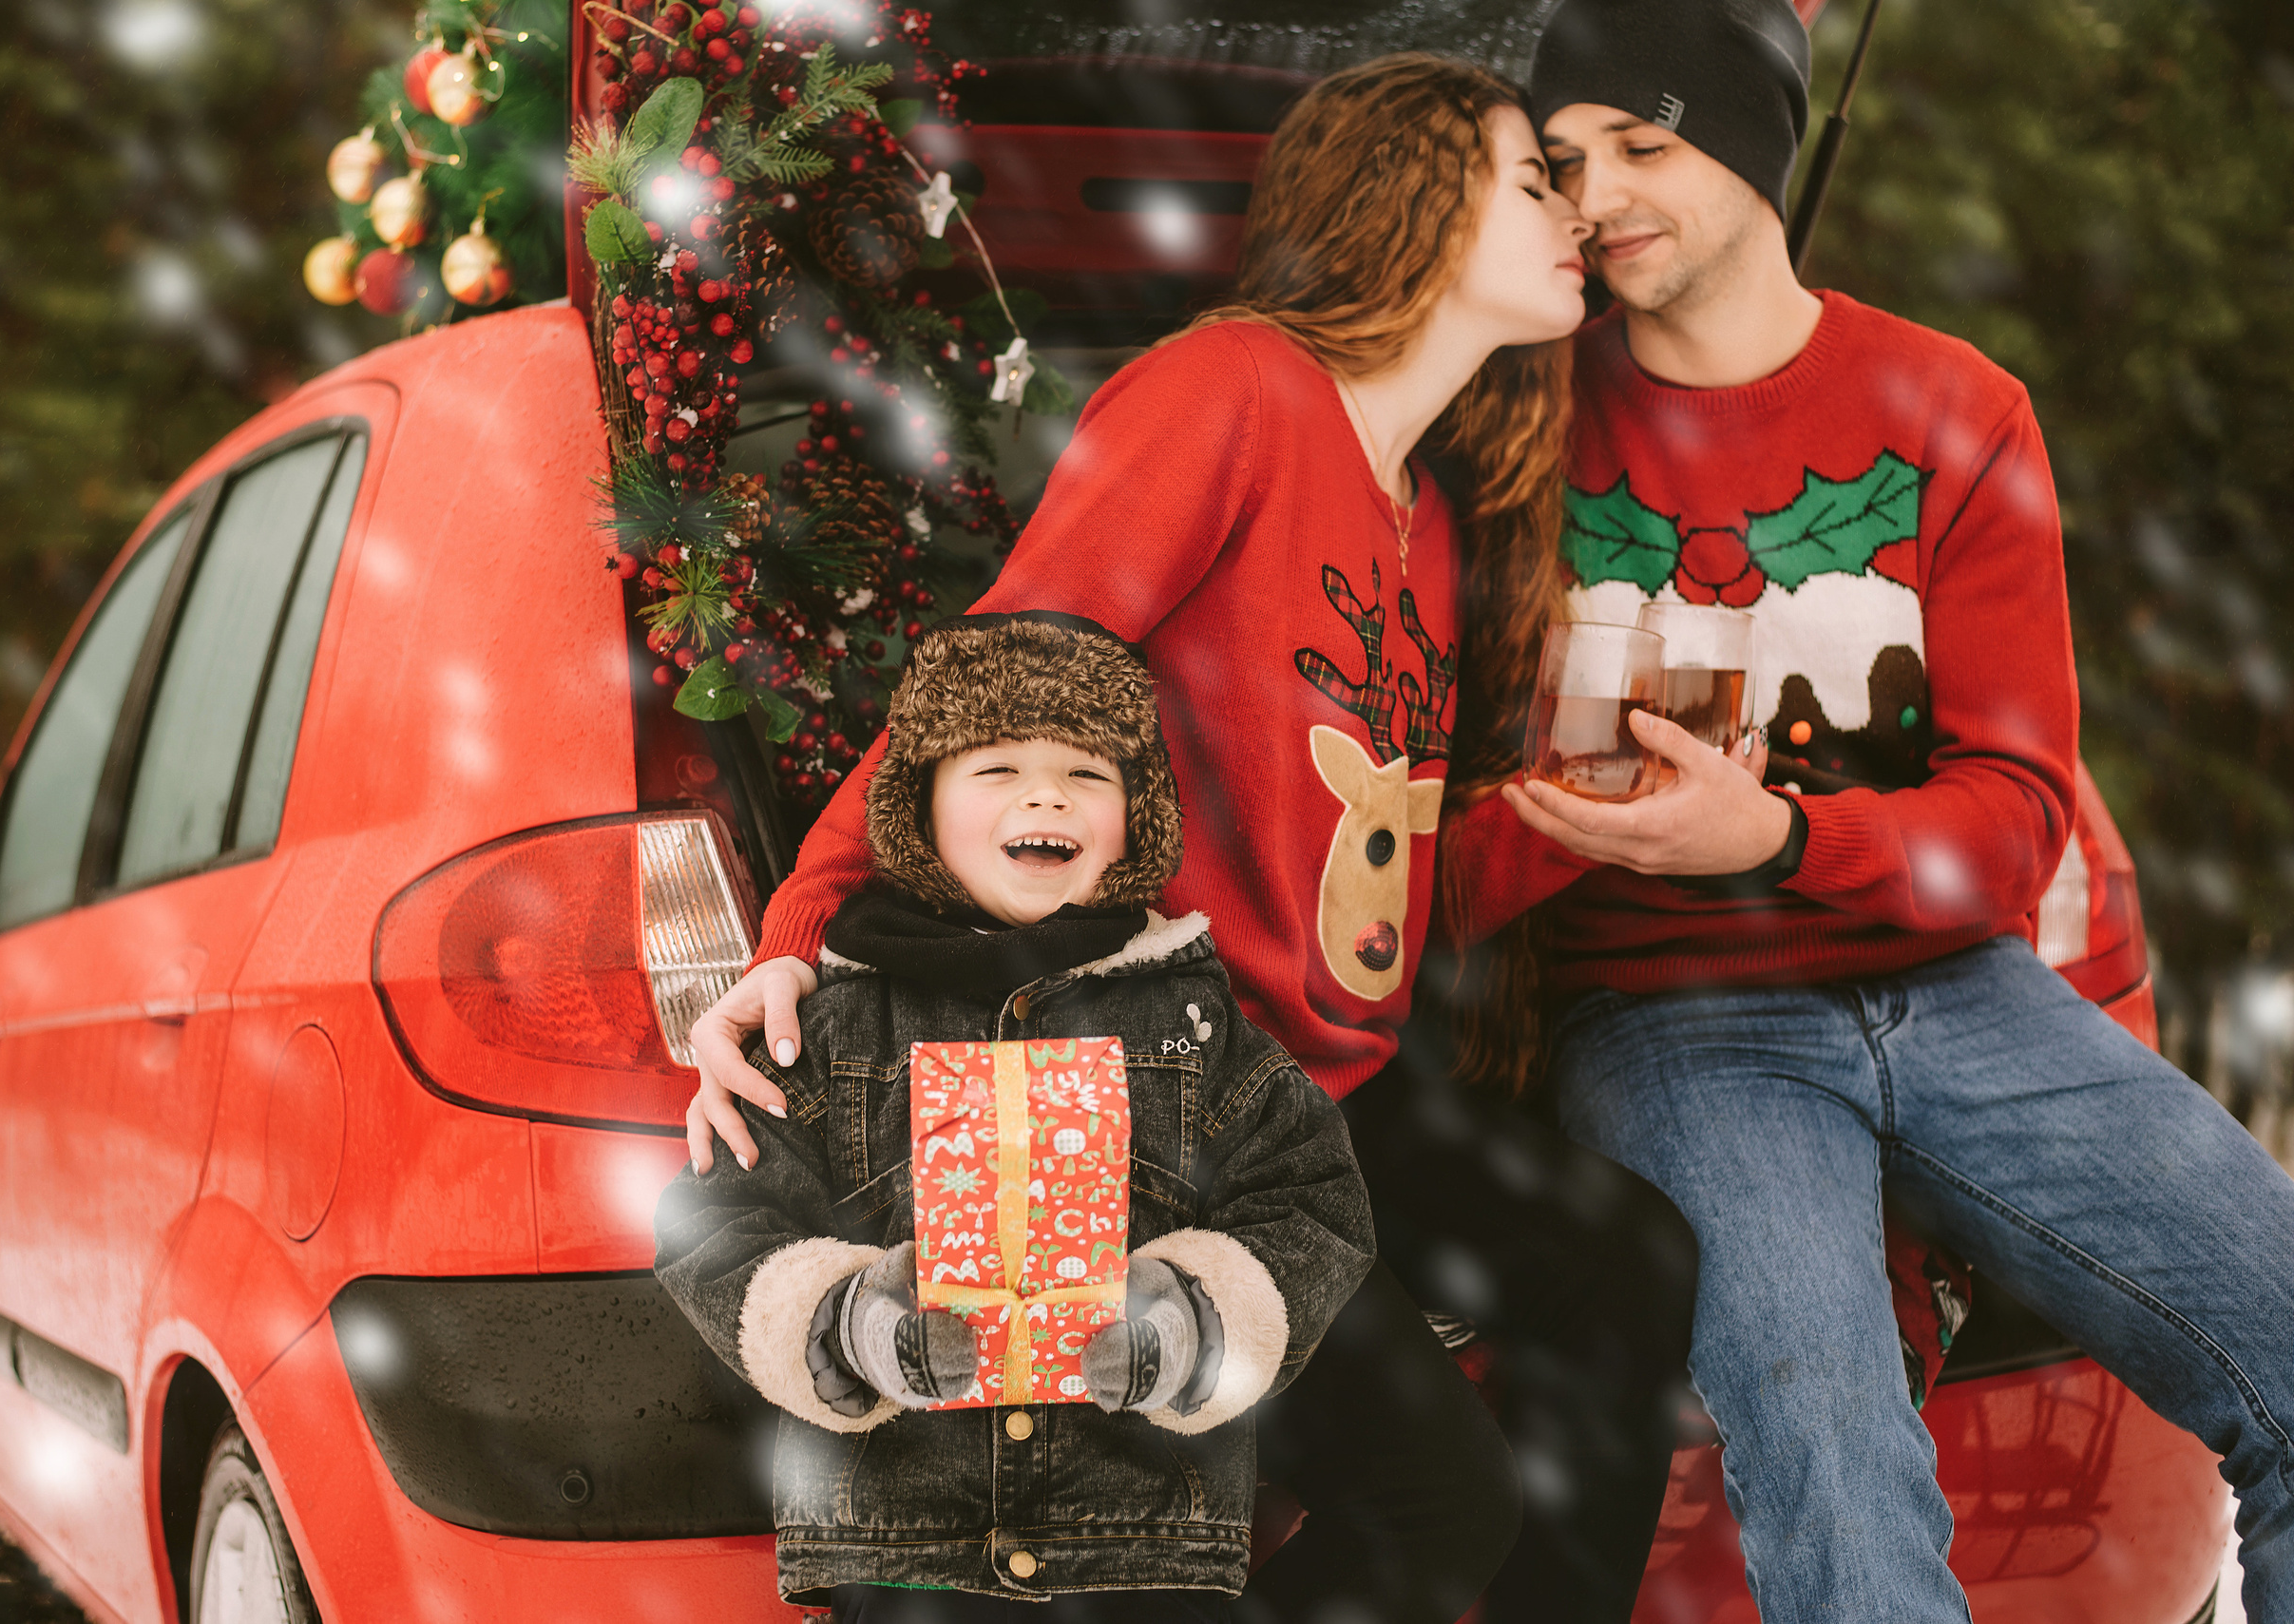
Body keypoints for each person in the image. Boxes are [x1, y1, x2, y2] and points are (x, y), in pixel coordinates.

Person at [677, 53, 1711, 1624]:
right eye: (1530, 182)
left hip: (1335, 1082)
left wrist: (1606, 821)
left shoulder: (1428, 522)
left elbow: (1383, 880)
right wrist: (799, 933)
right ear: (1416, 201)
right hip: (1166, 1080)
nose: (1574, 217)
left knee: (1627, 1261)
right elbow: (996, 678)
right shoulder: (1234, 393)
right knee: (1442, 1503)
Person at [1498, 0, 2294, 1616]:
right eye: (1565, 161)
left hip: (1959, 992)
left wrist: (1784, 840)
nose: (1596, 198)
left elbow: (2016, 815)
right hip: (1672, 1010)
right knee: (1837, 1464)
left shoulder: (1951, 408)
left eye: (1642, 146)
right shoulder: (1516, 419)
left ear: (1754, 144)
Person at [655, 614, 1375, 1621]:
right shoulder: (834, 1025)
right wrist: (846, 1326)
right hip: (914, 1560)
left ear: (1137, 815)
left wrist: (1198, 1322)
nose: (1046, 795)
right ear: (920, 807)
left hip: (1141, 1555)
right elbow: (712, 1220)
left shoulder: (1193, 1019)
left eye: (1086, 772)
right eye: (997, 768)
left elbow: (1312, 1199)